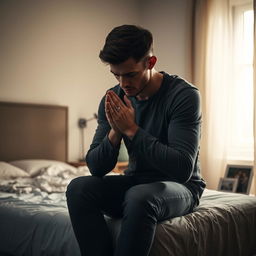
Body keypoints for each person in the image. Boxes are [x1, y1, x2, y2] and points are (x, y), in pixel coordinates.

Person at [66, 24, 206, 256]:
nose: (123, 83)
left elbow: (182, 168)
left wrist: (131, 129)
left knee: (139, 196)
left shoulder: (183, 96)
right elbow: (96, 167)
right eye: (116, 74)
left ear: (150, 63)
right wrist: (116, 130)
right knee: (78, 188)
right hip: (136, 183)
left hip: (182, 187)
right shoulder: (113, 99)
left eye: (130, 74)